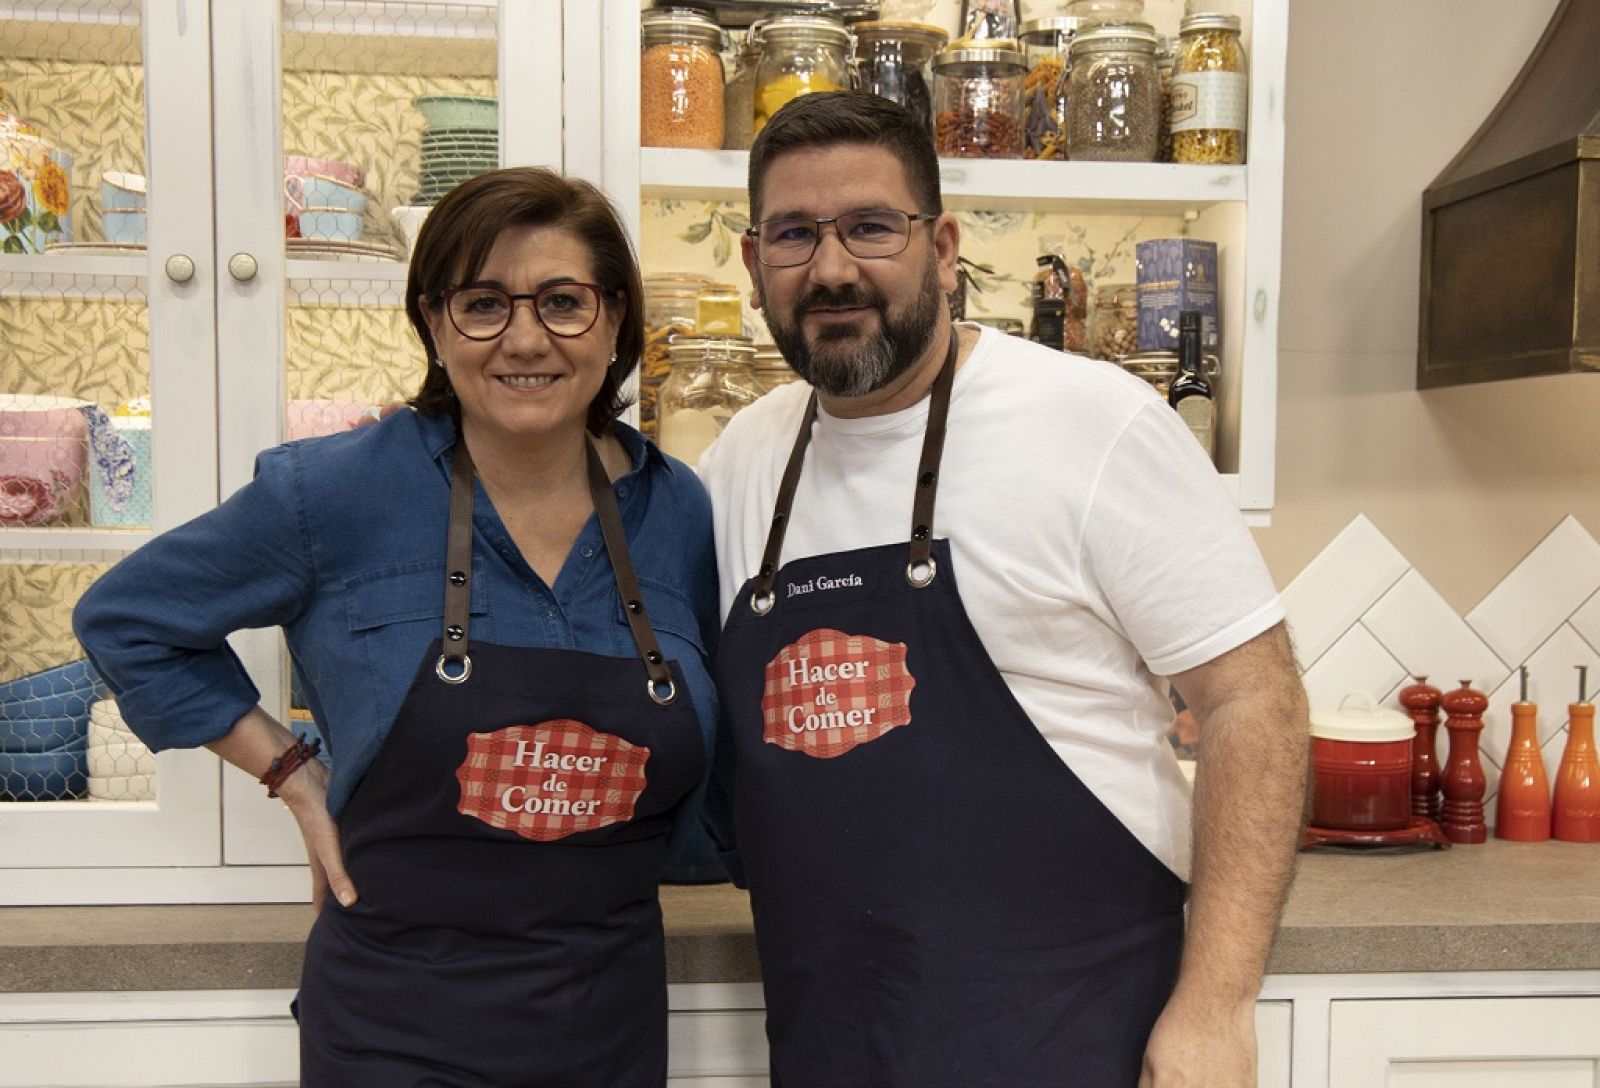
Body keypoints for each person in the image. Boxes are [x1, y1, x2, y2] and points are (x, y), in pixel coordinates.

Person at [697, 92, 1309, 1087]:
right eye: (794, 234)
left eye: (870, 227)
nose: (832, 267)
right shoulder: (740, 460)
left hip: (1071, 1040)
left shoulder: (1092, 422)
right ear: (751, 259)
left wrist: (1216, 1005)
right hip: (830, 1049)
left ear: (941, 247)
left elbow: (1256, 699)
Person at [73, 166, 721, 1087]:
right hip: (394, 1025)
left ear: (616, 320)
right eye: (484, 303)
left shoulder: (676, 510)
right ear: (431, 321)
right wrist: (294, 775)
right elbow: (128, 620)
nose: (526, 338)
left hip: (603, 1020)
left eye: (565, 302)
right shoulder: (334, 492)